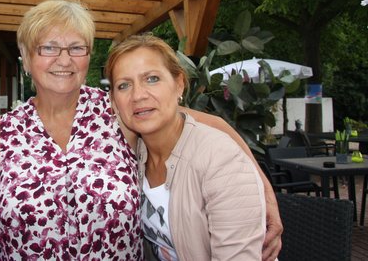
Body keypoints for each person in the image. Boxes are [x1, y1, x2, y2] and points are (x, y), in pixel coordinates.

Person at [0, 0, 282, 260]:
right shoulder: (4, 131)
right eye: (49, 48)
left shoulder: (117, 109)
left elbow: (213, 126)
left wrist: (265, 195)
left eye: (76, 47)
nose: (64, 59)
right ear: (26, 59)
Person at [105, 33, 266, 260]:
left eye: (152, 79)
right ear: (114, 101)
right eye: (124, 85)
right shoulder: (131, 154)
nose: (138, 95)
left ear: (179, 84)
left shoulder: (221, 160)